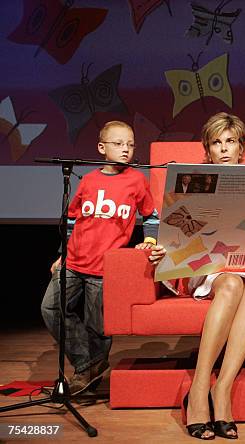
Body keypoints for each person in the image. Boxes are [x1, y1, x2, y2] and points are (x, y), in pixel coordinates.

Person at [148, 112, 245, 440]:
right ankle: (200, 390)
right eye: (217, 143)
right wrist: (161, 246)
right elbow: (174, 229)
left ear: (241, 147)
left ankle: (223, 390)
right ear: (208, 149)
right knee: (230, 283)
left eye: (230, 142)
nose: (224, 149)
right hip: (208, 264)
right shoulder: (196, 180)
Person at [40, 120, 161, 395]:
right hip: (74, 262)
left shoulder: (136, 180)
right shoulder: (89, 181)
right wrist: (63, 254)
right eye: (118, 144)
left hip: (105, 268)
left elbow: (151, 216)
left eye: (130, 144)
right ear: (101, 147)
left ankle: (89, 370)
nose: (126, 149)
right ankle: (87, 365)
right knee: (51, 309)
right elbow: (72, 220)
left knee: (98, 325)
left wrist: (149, 241)